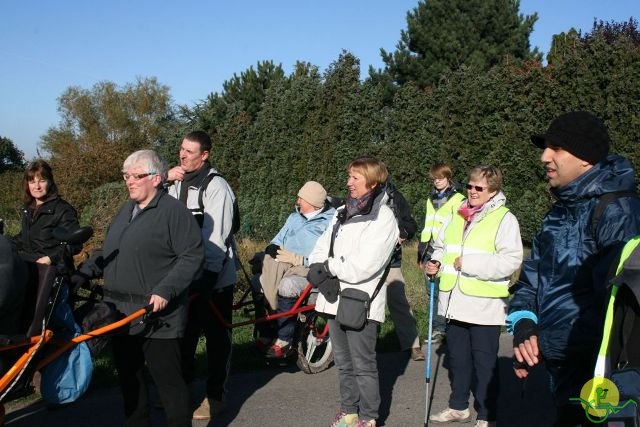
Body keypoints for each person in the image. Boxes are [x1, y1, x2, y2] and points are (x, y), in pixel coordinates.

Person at [507, 111, 640, 426]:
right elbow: (530, 283)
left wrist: (549, 343)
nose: (544, 157)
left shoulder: (618, 211)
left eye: (556, 148)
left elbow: (618, 309)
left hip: (600, 373)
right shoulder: (559, 211)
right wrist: (526, 327)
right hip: (562, 366)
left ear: (586, 158)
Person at [74, 149, 204, 427]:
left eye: (136, 175)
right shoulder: (125, 210)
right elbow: (107, 249)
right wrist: (82, 275)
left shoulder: (174, 213)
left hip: (157, 317)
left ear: (156, 178)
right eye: (126, 176)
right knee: (130, 382)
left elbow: (192, 256)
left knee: (169, 385)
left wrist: (165, 291)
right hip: (120, 314)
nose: (129, 181)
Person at [425, 165, 523, 426]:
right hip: (454, 302)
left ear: (493, 191)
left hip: (484, 306)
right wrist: (434, 262)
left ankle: (487, 414)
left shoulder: (505, 218)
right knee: (458, 360)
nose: (472, 191)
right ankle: (458, 407)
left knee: (485, 365)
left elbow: (511, 260)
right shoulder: (457, 214)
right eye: (469, 185)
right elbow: (441, 245)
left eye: (479, 187)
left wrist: (470, 264)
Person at [308, 156, 399, 427]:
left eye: (354, 178)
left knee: (363, 364)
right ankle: (349, 411)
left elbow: (365, 266)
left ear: (372, 181)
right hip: (333, 296)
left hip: (361, 301)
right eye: (349, 177)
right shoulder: (340, 212)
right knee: (344, 363)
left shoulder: (384, 217)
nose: (348, 183)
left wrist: (329, 267)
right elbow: (320, 248)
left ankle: (368, 417)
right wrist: (320, 268)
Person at [165, 130, 237, 420]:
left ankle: (216, 396)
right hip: (181, 276)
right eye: (181, 149)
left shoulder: (216, 187)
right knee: (183, 335)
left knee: (217, 338)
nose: (182, 155)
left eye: (189, 151)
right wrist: (164, 180)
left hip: (213, 278)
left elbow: (217, 237)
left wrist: (206, 277)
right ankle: (182, 391)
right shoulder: (176, 182)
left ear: (204, 155)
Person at [254, 181, 335, 358]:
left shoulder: (330, 222)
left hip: (310, 268)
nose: (297, 200)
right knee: (257, 281)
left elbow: (329, 253)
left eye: (301, 198)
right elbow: (278, 239)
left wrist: (301, 259)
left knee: (287, 285)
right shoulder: (294, 218)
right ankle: (267, 330)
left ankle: (284, 338)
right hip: (284, 263)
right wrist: (273, 247)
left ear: (312, 202)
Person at [417, 163, 464, 343]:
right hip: (429, 249)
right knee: (431, 291)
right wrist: (421, 254)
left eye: (440, 178)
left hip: (446, 250)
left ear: (448, 178)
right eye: (435, 179)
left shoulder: (458, 199)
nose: (437, 181)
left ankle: (444, 328)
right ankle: (436, 329)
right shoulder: (431, 199)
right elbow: (427, 225)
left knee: (445, 290)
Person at [382, 180, 424, 361]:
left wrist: (403, 234)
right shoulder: (357, 197)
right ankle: (360, 347)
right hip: (364, 263)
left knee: (399, 301)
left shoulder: (395, 197)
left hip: (391, 260)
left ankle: (413, 344)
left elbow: (410, 223)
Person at [14, 160, 80, 269]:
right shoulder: (27, 209)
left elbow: (75, 244)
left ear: (50, 182)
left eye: (42, 181)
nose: (37, 186)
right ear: (27, 185)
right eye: (32, 182)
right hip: (29, 268)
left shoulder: (63, 210)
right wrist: (4, 243)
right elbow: (25, 237)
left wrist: (50, 258)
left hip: (53, 271)